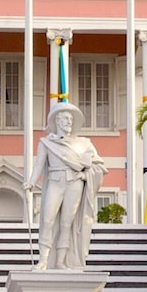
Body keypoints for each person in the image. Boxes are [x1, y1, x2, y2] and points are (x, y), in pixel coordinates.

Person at [24, 102, 106, 270]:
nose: (69, 122)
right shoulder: (46, 143)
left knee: (66, 223)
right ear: (57, 121)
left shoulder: (84, 143)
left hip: (74, 183)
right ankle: (43, 260)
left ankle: (61, 261)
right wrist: (31, 182)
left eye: (70, 119)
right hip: (55, 181)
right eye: (65, 119)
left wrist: (84, 175)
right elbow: (38, 165)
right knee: (47, 219)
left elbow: (100, 167)